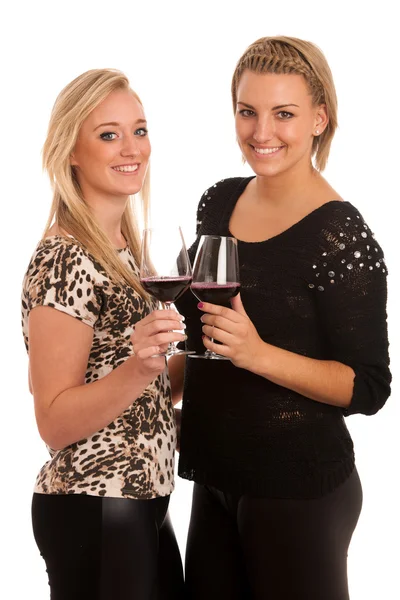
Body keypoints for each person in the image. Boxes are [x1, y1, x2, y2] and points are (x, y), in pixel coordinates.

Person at [170, 36, 391, 600]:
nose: (261, 133)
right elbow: (204, 339)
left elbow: (367, 386)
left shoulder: (339, 236)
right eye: (248, 111)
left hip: (298, 489)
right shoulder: (217, 202)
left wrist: (258, 354)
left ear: (319, 119)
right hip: (215, 474)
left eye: (284, 114)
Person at [21, 68, 185, 600]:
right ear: (71, 150)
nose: (130, 147)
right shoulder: (64, 258)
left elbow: (144, 387)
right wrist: (139, 367)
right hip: (94, 503)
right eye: (108, 134)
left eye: (139, 129)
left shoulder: (125, 254)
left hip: (142, 503)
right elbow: (53, 420)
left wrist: (209, 352)